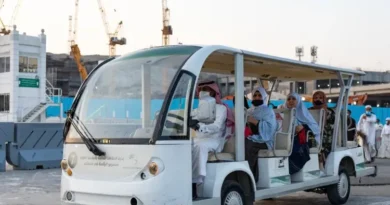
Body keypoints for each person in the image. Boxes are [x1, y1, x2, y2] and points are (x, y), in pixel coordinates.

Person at [190, 81, 235, 199]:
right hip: (199, 139)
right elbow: (189, 116)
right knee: (183, 146)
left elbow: (217, 127)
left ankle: (195, 183)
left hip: (214, 141)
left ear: (213, 92)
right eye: (202, 89)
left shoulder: (221, 108)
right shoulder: (199, 109)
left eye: (207, 89)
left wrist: (200, 127)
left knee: (200, 146)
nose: (203, 92)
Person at [245, 87, 278, 182]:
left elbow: (270, 130)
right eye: (255, 95)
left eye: (259, 95)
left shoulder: (268, 111)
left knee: (248, 146)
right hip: (252, 137)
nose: (257, 98)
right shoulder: (249, 111)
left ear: (263, 97)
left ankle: (250, 178)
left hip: (265, 140)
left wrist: (255, 122)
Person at [284, 93, 320, 175]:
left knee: (295, 149)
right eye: (289, 99)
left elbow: (316, 129)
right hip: (285, 138)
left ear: (298, 101)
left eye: (294, 99)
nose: (291, 101)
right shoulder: (283, 112)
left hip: (302, 140)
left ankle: (290, 170)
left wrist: (304, 126)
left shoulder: (304, 113)